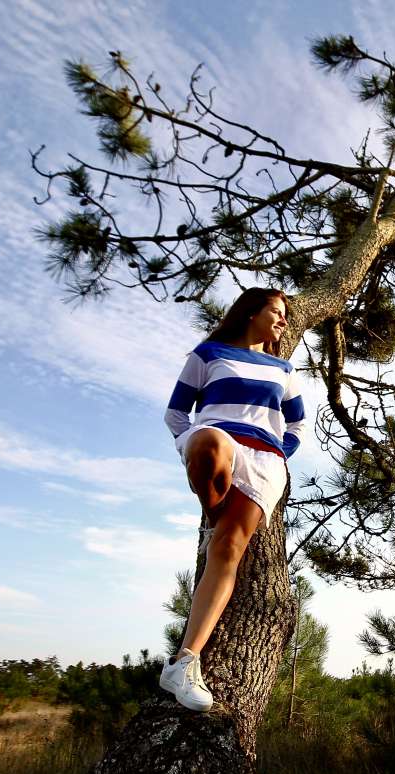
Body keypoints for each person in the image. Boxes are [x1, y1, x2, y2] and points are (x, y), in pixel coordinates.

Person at [158, 287, 305, 711]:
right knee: (206, 442)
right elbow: (176, 413)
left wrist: (281, 453)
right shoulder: (208, 355)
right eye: (275, 312)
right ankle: (211, 509)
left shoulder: (283, 368)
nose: (282, 321)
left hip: (264, 460)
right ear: (250, 314)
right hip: (220, 440)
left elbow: (297, 425)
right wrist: (187, 441)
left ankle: (183, 664)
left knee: (228, 549)